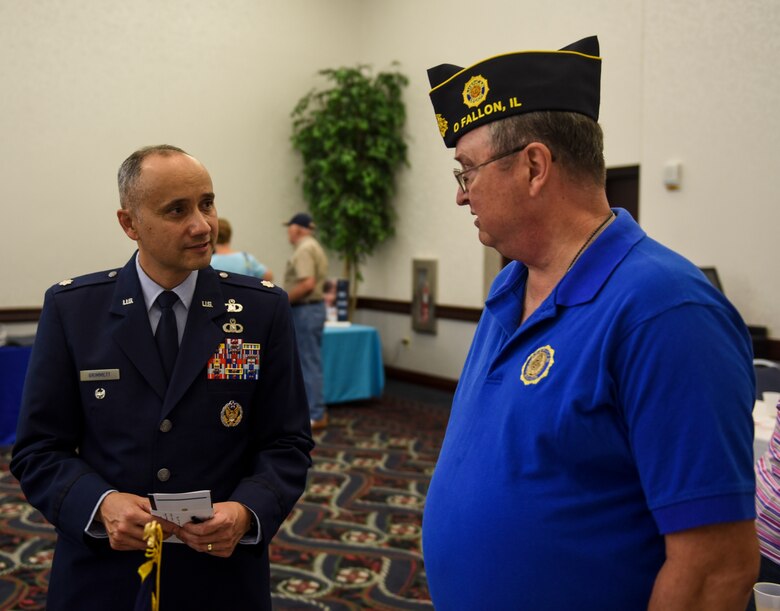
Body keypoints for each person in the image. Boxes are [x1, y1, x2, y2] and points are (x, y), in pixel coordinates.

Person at [422, 36, 759, 610]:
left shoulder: (666, 312)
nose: (461, 196)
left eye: (467, 173)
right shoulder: (512, 285)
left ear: (533, 166)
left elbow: (714, 569)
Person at [10, 144, 314, 611]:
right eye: (177, 210)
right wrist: (100, 505)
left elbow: (286, 442)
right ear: (129, 223)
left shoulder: (260, 310)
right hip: (103, 572)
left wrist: (246, 511)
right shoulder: (75, 310)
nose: (202, 224)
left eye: (207, 203)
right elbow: (38, 449)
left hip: (220, 574)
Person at [283, 212, 328, 430]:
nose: (288, 233)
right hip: (313, 310)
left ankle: (316, 414)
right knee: (310, 360)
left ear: (297, 228)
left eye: (289, 227)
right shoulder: (314, 246)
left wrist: (282, 300)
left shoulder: (304, 249)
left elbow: (307, 284)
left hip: (305, 310)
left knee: (308, 362)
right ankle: (314, 410)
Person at [211, 217, 273, 281]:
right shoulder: (246, 259)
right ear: (229, 235)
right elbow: (269, 276)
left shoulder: (210, 262)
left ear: (212, 236)